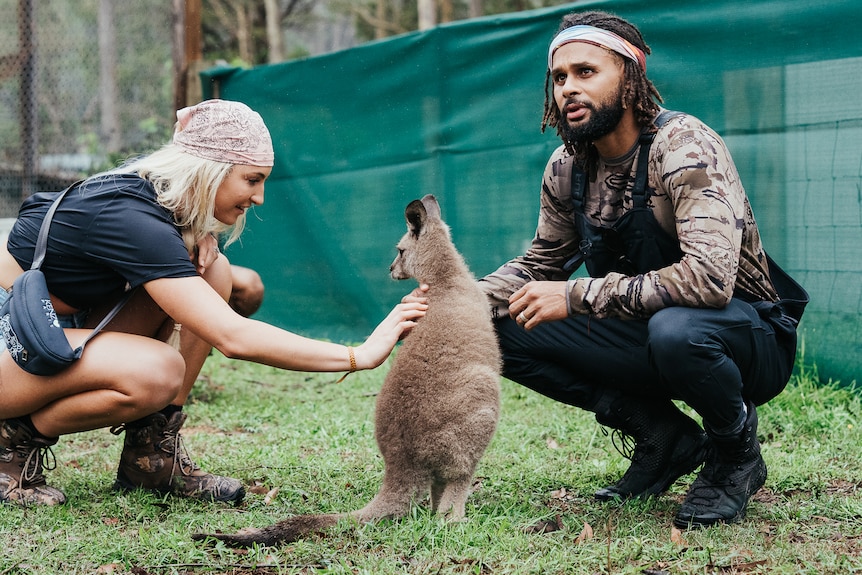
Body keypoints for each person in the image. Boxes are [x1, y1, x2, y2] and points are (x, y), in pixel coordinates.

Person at [0, 99, 426, 506]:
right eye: (252, 179)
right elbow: (232, 336)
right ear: (210, 170)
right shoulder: (131, 218)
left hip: (41, 341)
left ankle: (152, 456)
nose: (258, 197)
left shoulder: (149, 204)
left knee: (214, 270)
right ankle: (11, 442)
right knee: (157, 370)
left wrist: (193, 234)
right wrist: (358, 354)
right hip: (11, 345)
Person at [478, 11, 806, 528]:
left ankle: (735, 456)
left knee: (677, 330)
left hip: (746, 336)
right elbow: (540, 263)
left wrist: (577, 295)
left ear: (630, 82)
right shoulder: (567, 167)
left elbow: (708, 280)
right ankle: (662, 435)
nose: (568, 89)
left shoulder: (683, 146)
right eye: (559, 78)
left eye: (586, 72)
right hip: (643, 332)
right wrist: (456, 301)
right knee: (491, 328)